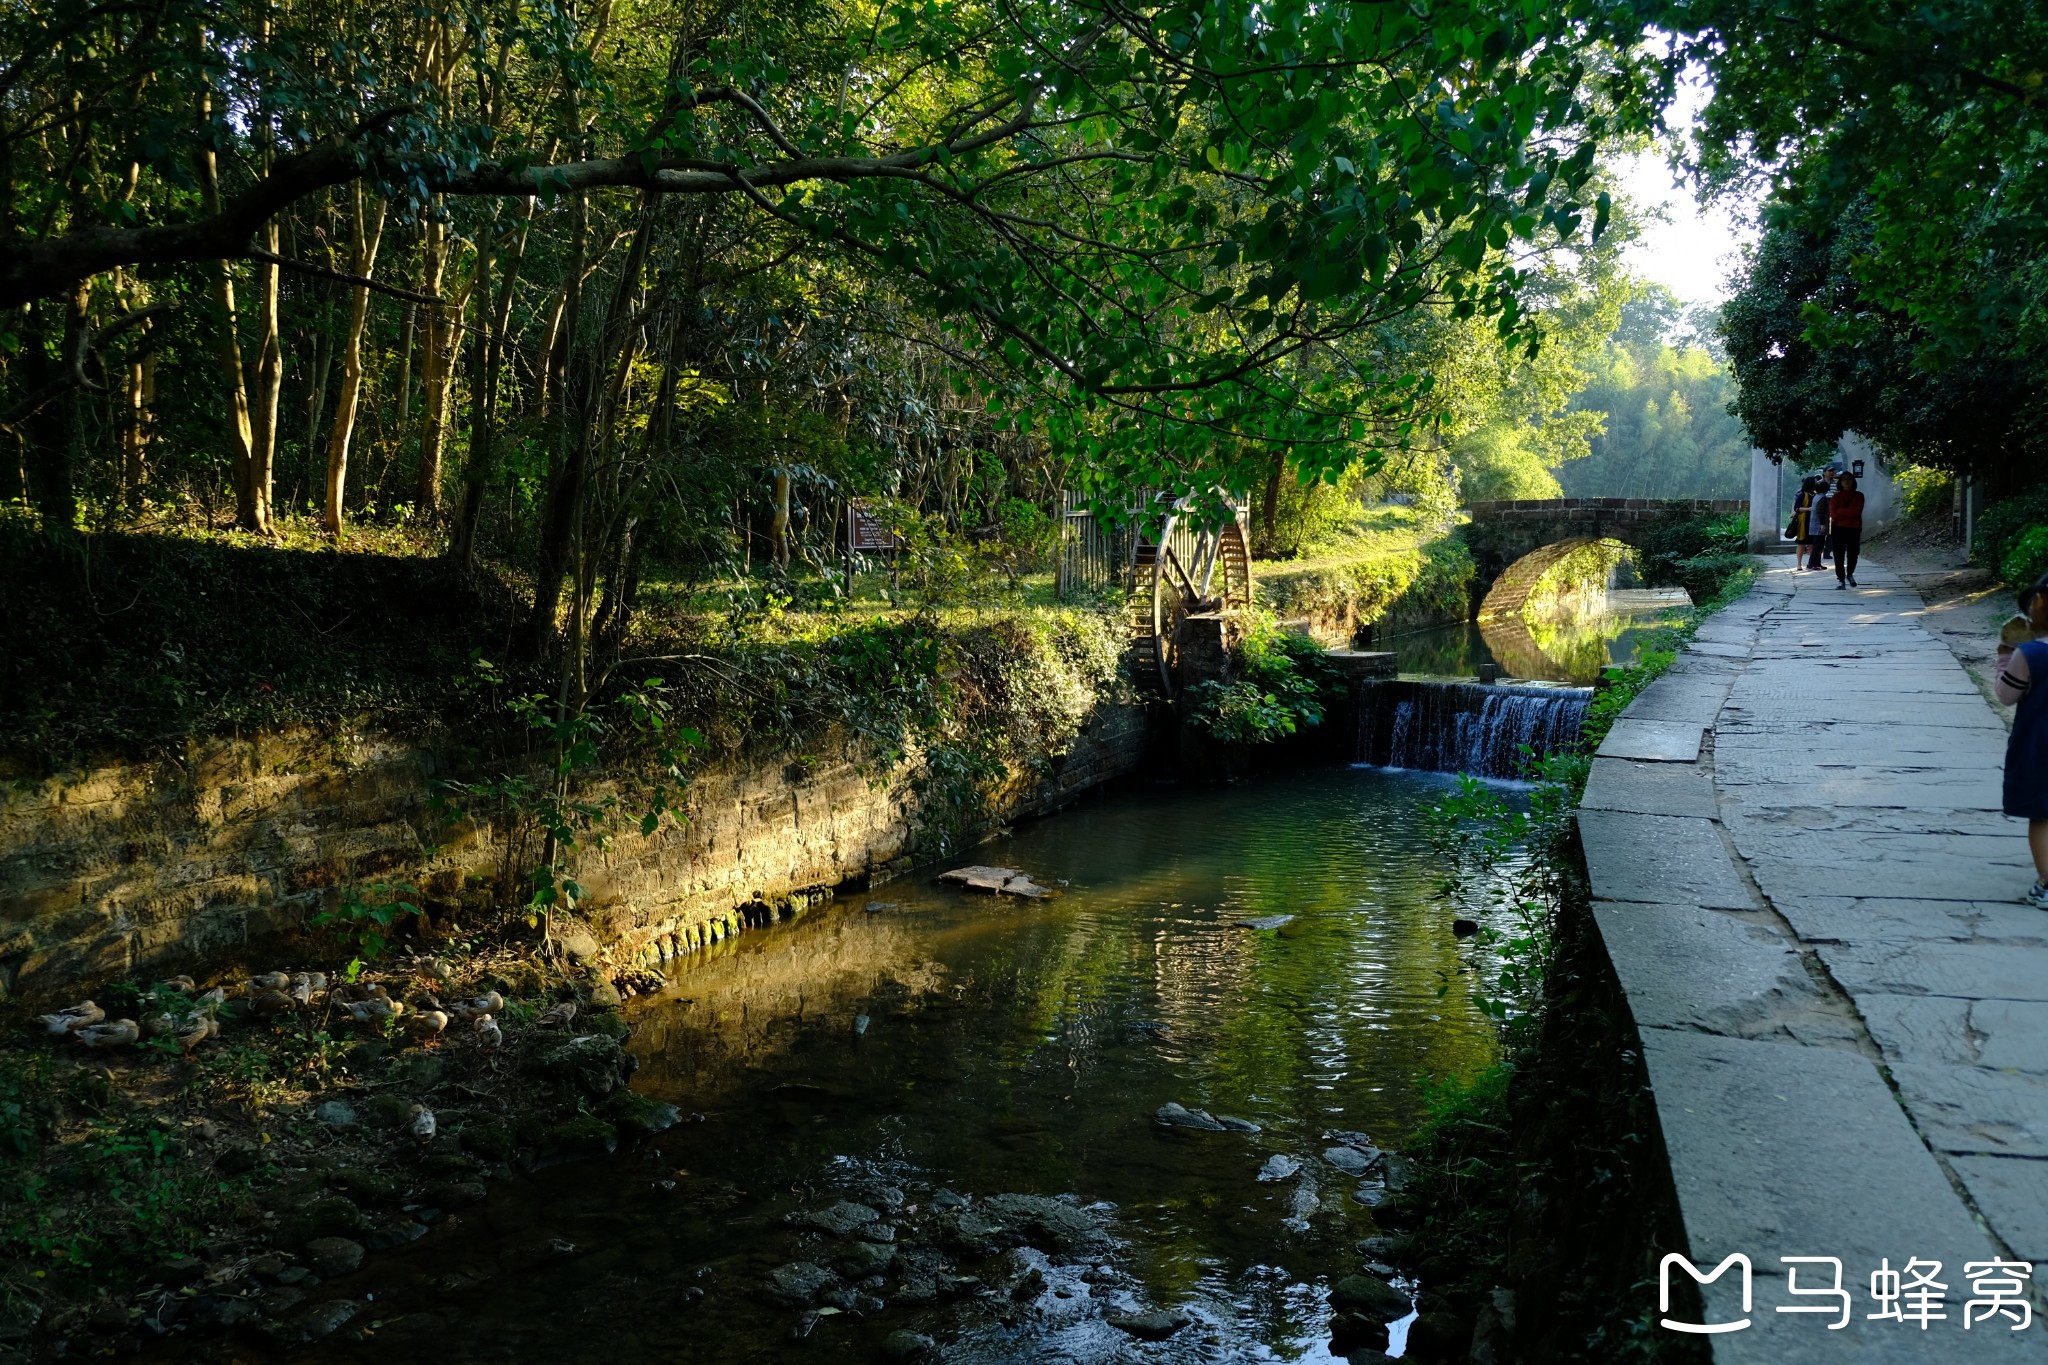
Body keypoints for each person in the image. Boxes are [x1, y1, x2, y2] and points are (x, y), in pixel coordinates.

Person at [1994, 575, 2048, 908]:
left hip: (2038, 745)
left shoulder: (2028, 654)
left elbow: (2005, 695)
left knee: (2042, 817)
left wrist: (2004, 655)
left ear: (2039, 605)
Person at [1829, 472, 1865, 587]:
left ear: (1853, 481)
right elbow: (1833, 515)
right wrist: (1845, 512)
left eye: (1849, 479)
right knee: (1838, 554)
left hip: (1854, 528)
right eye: (1844, 479)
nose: (1846, 481)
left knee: (1853, 553)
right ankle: (1841, 578)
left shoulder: (1859, 496)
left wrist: (1841, 511)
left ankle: (1850, 574)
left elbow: (1857, 512)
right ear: (1840, 482)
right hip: (1838, 529)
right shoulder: (1836, 497)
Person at [1788, 477, 1819, 571]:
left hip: (1813, 521)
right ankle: (1799, 564)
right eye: (1815, 482)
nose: (1817, 483)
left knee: (1812, 544)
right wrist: (1809, 509)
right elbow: (1797, 509)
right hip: (1803, 522)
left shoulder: (1815, 495)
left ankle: (1811, 563)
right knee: (1801, 543)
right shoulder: (1802, 495)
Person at [1806, 474, 1831, 571]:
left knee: (1818, 545)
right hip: (1819, 525)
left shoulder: (1816, 497)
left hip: (1814, 524)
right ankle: (1812, 563)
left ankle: (1817, 563)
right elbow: (1820, 512)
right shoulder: (1823, 498)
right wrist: (1823, 524)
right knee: (1818, 546)